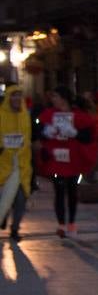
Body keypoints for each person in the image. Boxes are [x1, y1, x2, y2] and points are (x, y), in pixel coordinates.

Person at [36, 86, 98, 238]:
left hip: (74, 160)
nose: (53, 100)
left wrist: (75, 133)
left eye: (55, 96)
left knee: (71, 191)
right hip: (56, 159)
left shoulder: (80, 116)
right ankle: (61, 225)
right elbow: (38, 131)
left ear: (63, 98)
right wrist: (45, 132)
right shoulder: (48, 114)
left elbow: (89, 136)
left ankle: (71, 223)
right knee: (58, 190)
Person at [0, 86, 32, 241]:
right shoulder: (1, 115)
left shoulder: (25, 116)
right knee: (4, 199)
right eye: (13, 96)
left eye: (19, 95)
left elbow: (29, 138)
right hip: (3, 164)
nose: (16, 99)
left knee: (20, 199)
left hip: (22, 165)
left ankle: (15, 229)